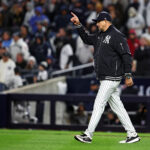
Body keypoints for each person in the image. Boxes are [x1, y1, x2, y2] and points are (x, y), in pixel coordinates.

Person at [71, 11, 140, 144]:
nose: (96, 24)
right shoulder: (100, 35)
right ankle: (132, 134)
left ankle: (88, 134)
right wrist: (78, 25)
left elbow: (126, 55)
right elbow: (86, 39)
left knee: (98, 104)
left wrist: (128, 74)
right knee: (118, 107)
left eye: (98, 21)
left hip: (112, 77)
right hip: (106, 77)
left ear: (106, 21)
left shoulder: (117, 35)